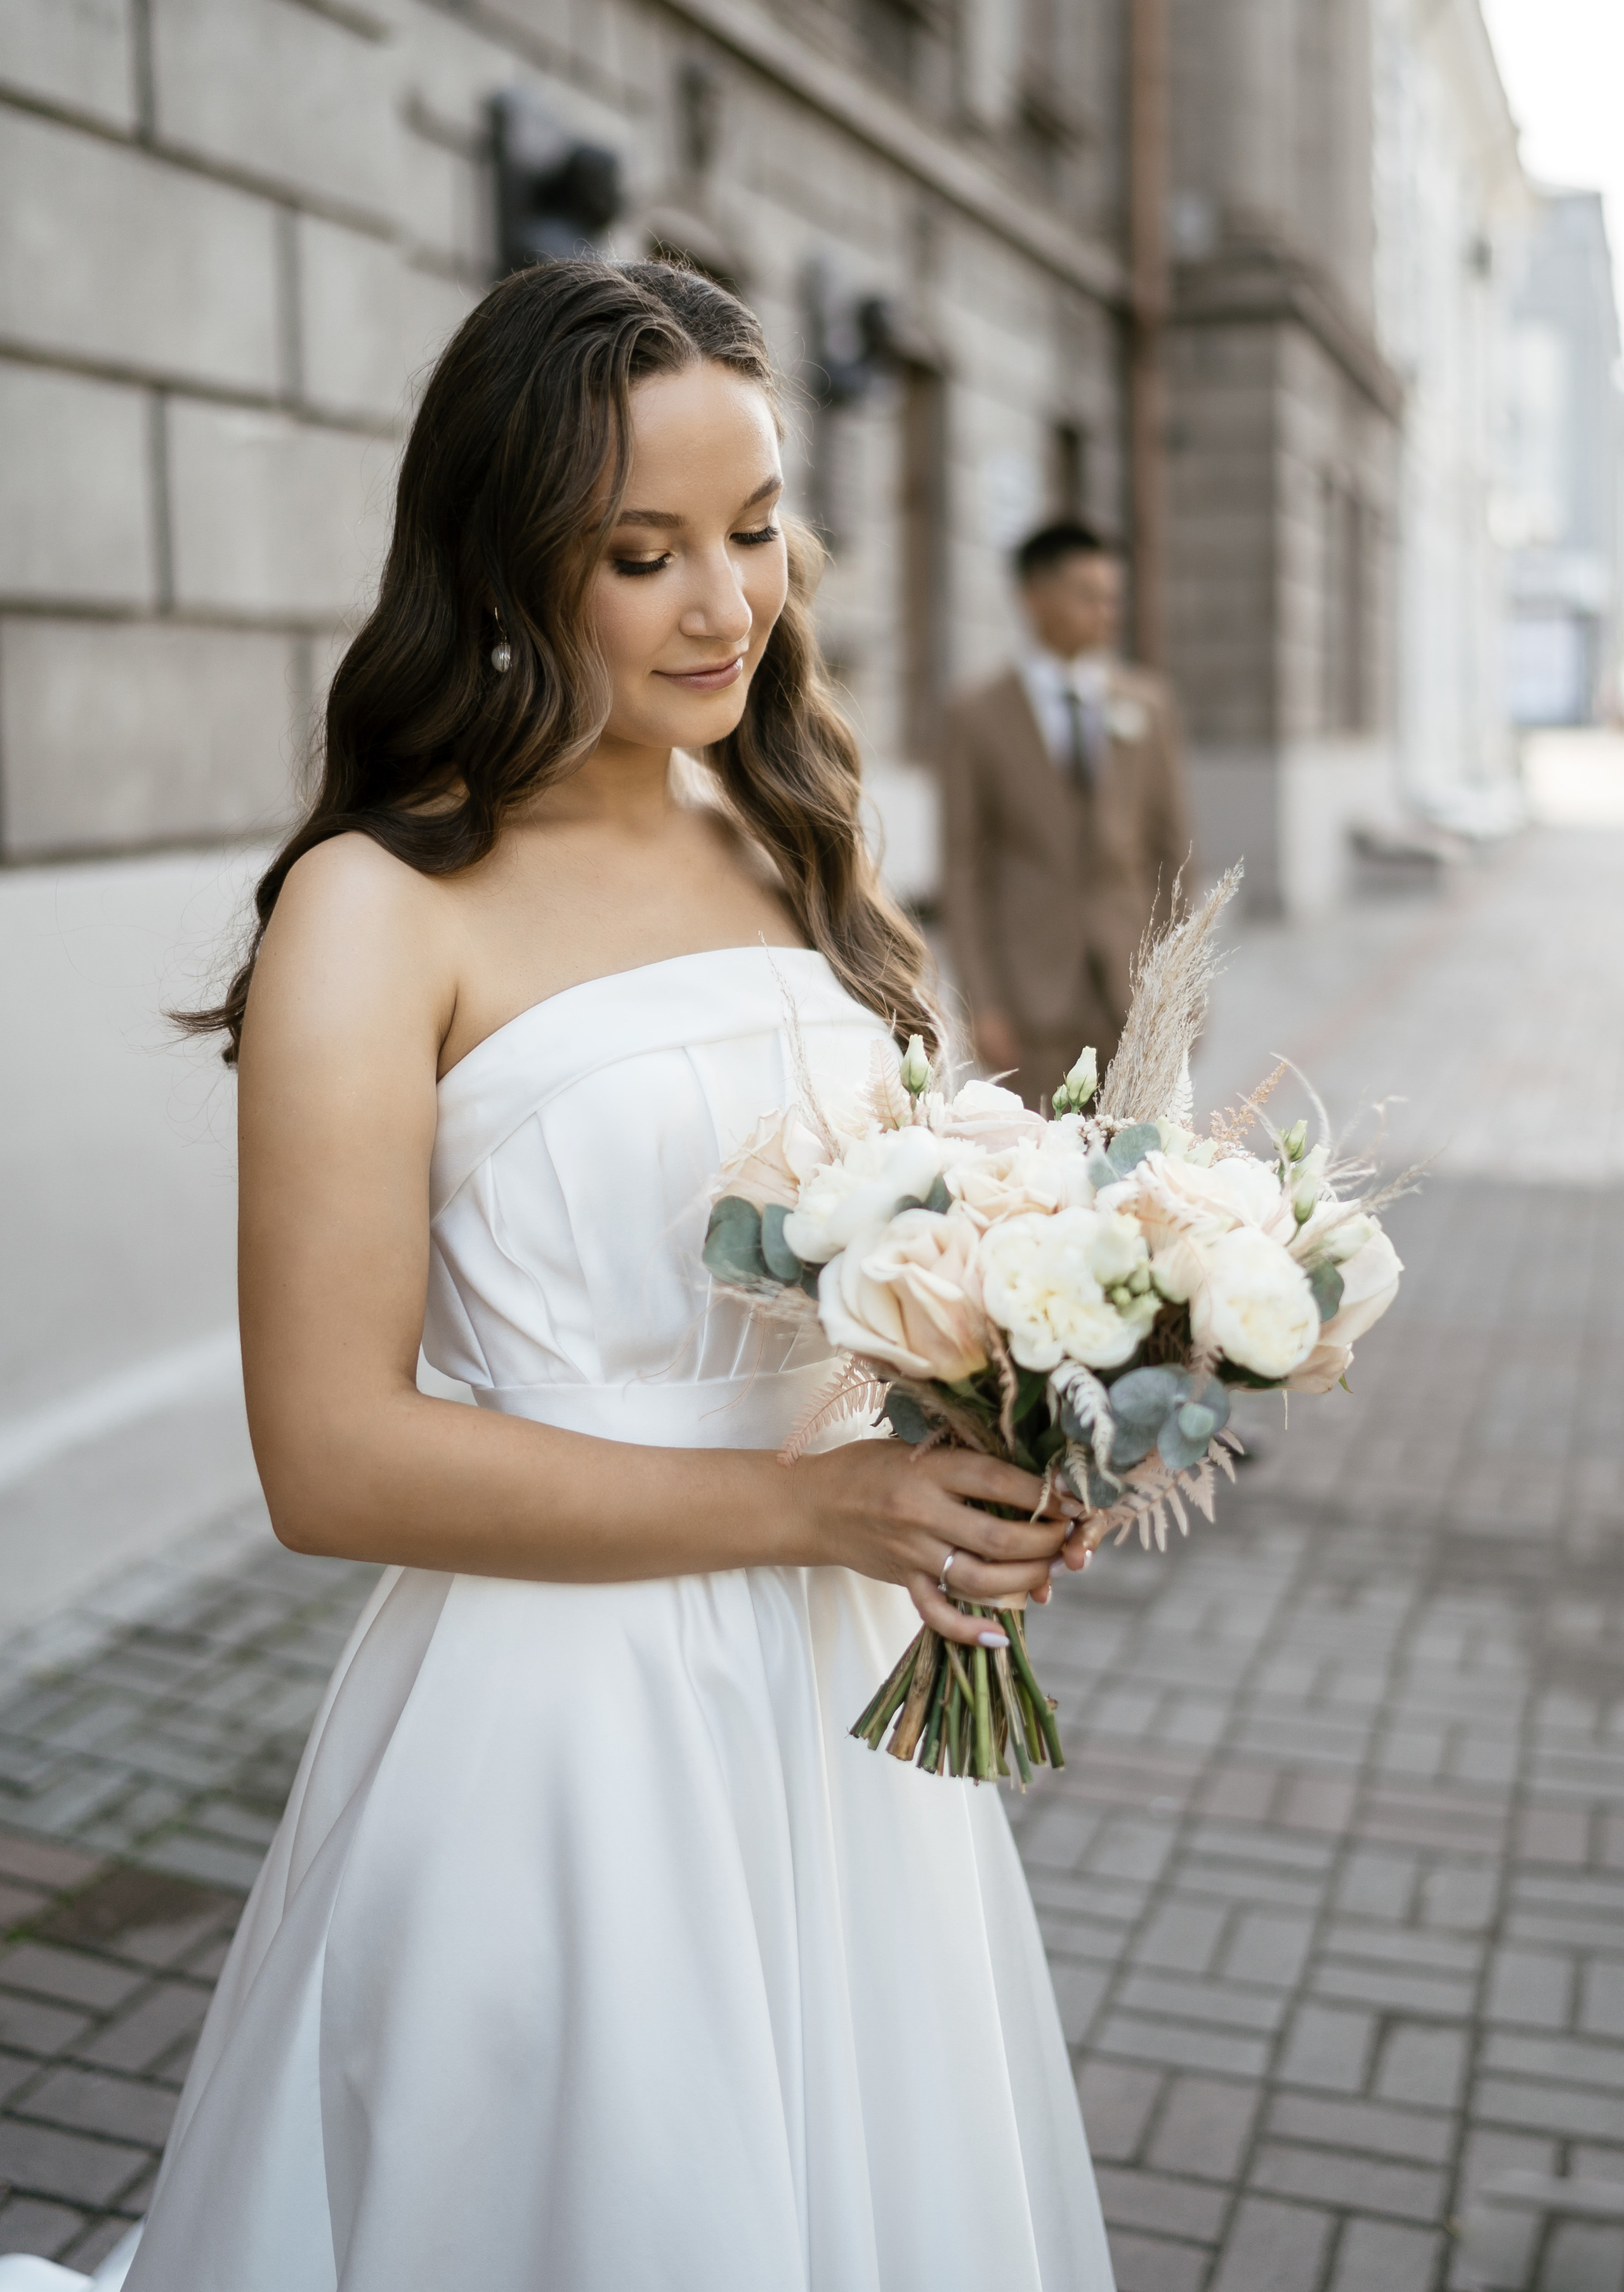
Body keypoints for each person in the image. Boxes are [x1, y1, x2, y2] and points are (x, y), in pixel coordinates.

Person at [119, 263, 1115, 2291]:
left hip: (841, 1713)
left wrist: (989, 1444)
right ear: (503, 561)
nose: (723, 604)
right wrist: (804, 1502)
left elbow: (876, 1297)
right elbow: (328, 1458)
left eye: (752, 531)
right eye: (639, 553)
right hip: (557, 1733)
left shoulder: (793, 841)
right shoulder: (377, 906)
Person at [941, 520, 1191, 1112]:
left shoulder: (1147, 707)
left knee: (1139, 1174)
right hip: (1031, 1006)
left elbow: (1174, 855)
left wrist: (1180, 996)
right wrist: (984, 1002)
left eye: (1113, 596)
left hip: (1132, 999)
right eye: (1089, 595)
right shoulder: (976, 716)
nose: (1108, 610)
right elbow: (963, 870)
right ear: (1035, 598)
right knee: (1044, 1184)